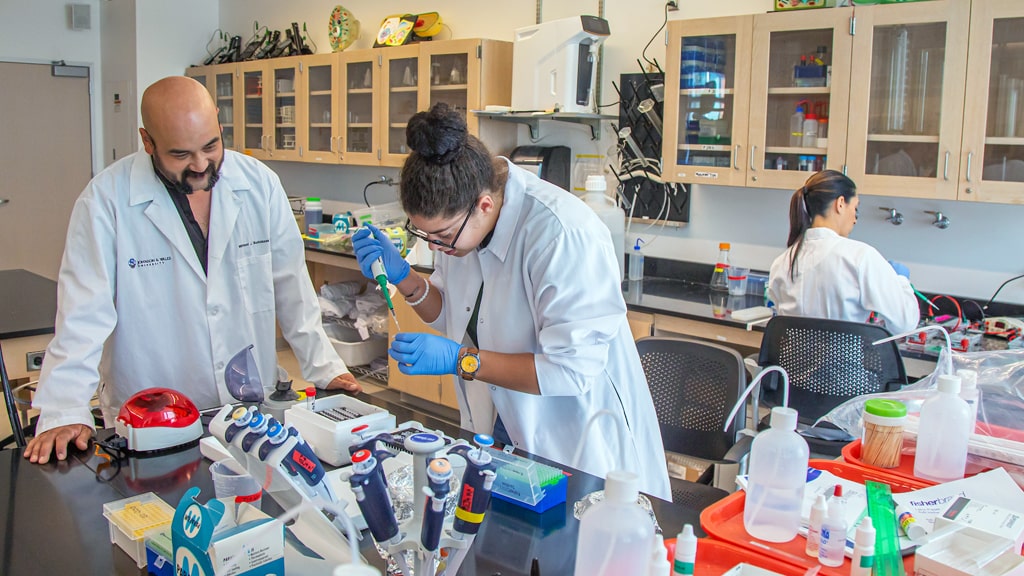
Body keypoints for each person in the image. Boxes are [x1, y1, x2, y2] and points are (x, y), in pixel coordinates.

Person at [24, 76, 359, 464]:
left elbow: (292, 287)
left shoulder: (259, 185)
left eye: (211, 146)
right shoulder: (106, 202)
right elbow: (83, 314)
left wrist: (324, 367)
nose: (200, 165)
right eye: (181, 155)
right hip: (153, 417)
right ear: (147, 141)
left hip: (249, 410)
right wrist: (64, 409)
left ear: (218, 122)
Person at [352, 103, 671, 500]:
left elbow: (570, 372)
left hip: (577, 440)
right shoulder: (463, 223)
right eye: (423, 234)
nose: (435, 245)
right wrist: (405, 277)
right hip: (502, 422)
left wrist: (460, 360)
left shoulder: (560, 235)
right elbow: (454, 315)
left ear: (484, 205)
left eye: (441, 236)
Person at [768, 170, 919, 335]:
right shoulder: (860, 257)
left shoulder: (782, 262)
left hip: (791, 361)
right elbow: (905, 324)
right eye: (855, 208)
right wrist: (901, 281)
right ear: (840, 203)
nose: (855, 218)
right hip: (845, 361)